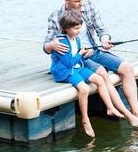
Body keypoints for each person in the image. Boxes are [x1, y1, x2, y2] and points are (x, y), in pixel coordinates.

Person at [44, 0, 138, 125]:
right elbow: (46, 46)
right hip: (80, 58)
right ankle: (128, 115)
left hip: (96, 50)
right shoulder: (55, 17)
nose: (81, 4)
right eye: (77, 1)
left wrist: (105, 39)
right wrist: (51, 45)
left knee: (127, 68)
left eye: (82, 0)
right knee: (103, 73)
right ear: (67, 0)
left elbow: (101, 29)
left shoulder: (89, 7)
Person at [51, 9, 124, 137]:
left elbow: (78, 58)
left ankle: (110, 108)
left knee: (100, 79)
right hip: (65, 71)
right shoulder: (62, 42)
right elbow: (69, 62)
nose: (78, 31)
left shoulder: (76, 39)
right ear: (66, 28)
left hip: (77, 67)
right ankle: (85, 119)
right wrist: (80, 54)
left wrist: (85, 53)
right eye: (75, 28)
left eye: (79, 28)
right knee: (84, 89)